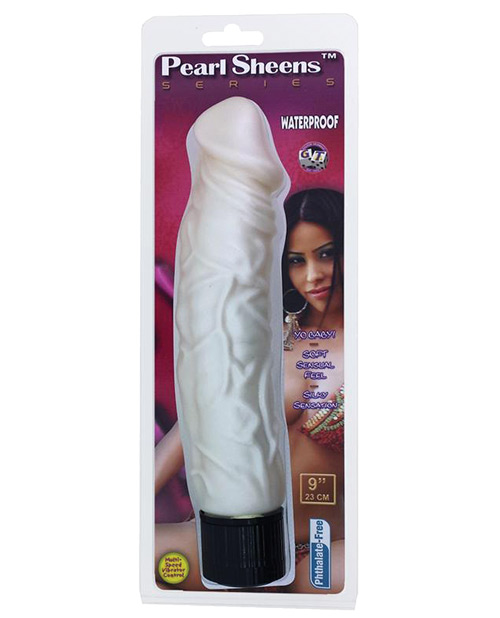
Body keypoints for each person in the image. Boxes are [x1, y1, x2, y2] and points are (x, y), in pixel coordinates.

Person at [155, 188, 345, 593]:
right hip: (232, 541)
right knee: (141, 555)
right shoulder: (270, 338)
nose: (313, 274)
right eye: (297, 260)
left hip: (324, 550)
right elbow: (195, 425)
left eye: (326, 254)